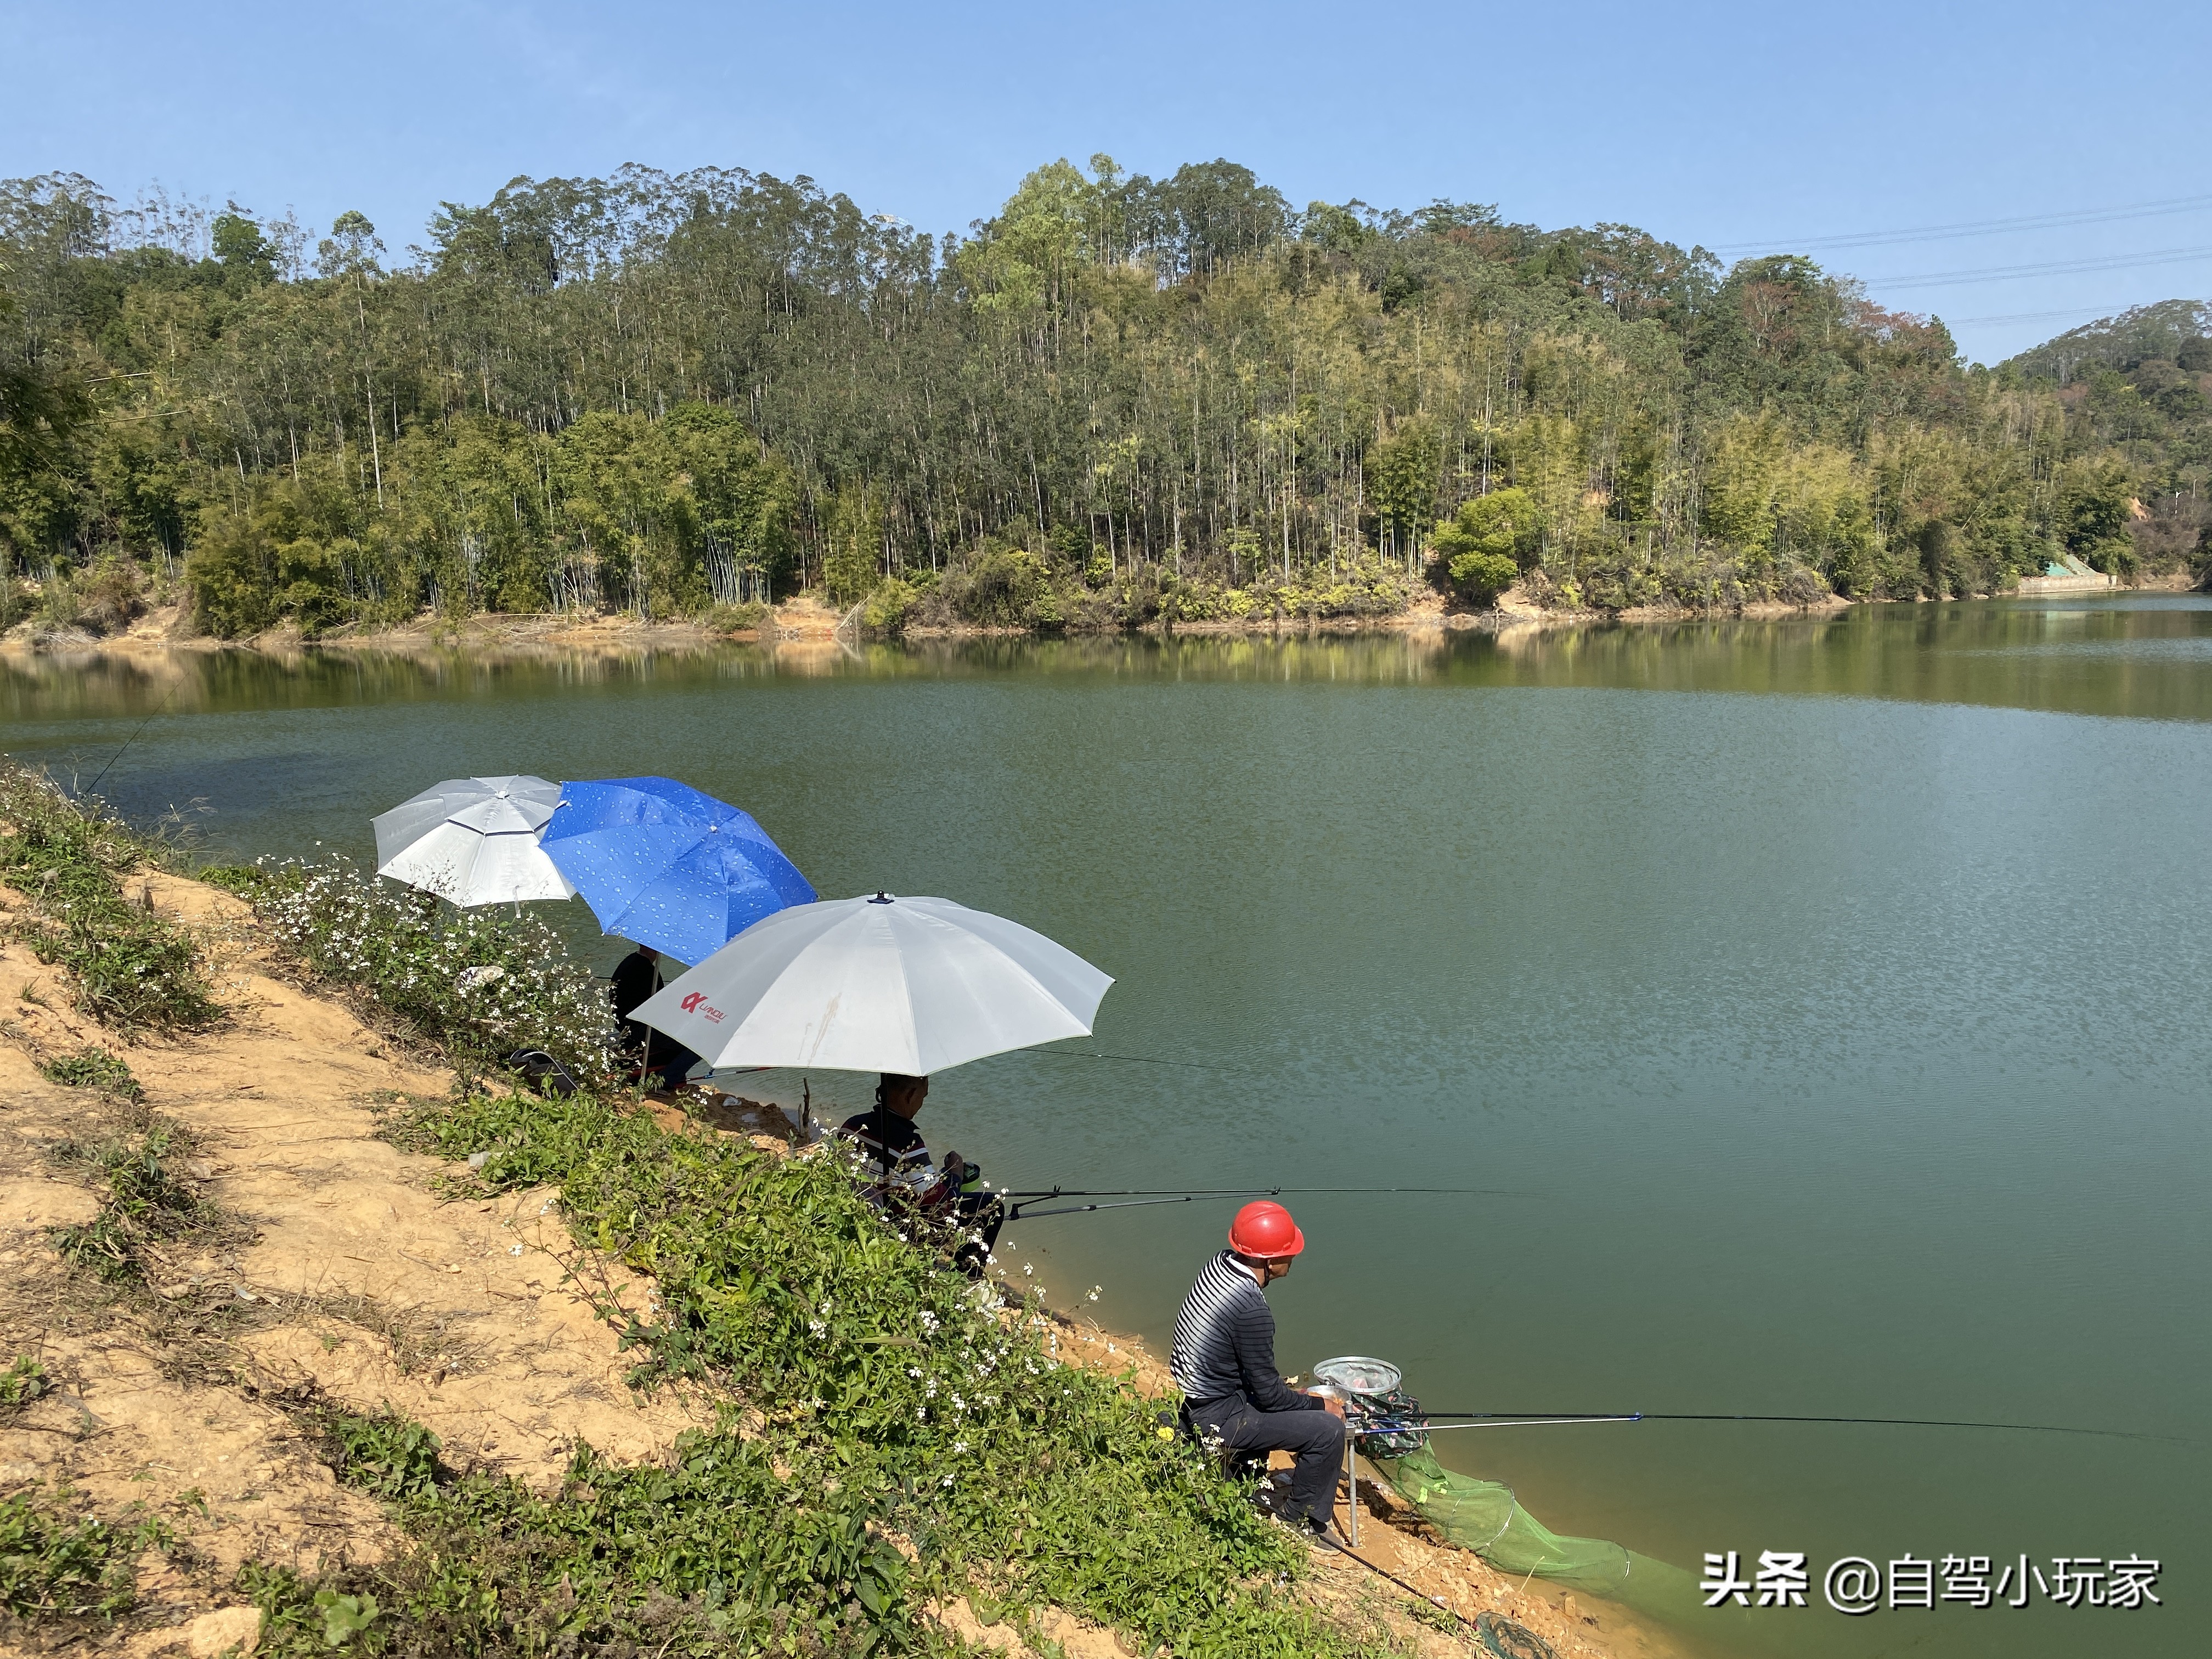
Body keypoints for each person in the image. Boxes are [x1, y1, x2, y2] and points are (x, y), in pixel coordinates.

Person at [1170, 1200, 1348, 1549]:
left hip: (1196, 1401)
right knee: (1329, 1430)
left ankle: (1238, 1473)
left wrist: (1293, 1397)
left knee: (1295, 1400)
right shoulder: (1252, 1309)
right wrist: (1317, 1405)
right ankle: (1300, 1521)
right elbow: (1267, 1395)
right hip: (1220, 1415)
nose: (1293, 1258)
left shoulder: (1220, 1265)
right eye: (1289, 1253)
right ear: (1269, 1261)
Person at [838, 1073, 1003, 1277]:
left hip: (858, 1215)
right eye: (923, 1097)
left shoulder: (851, 1126)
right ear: (910, 1095)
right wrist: (956, 1173)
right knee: (992, 1205)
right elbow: (942, 1203)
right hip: (900, 1228)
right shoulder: (909, 1143)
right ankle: (966, 1277)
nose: (921, 1104)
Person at [608, 943, 699, 1092]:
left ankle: (670, 1075)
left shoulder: (628, 961)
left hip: (624, 1024)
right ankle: (666, 1080)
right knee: (696, 1046)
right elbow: (661, 1006)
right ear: (656, 949)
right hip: (639, 1028)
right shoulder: (649, 971)